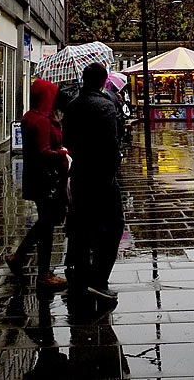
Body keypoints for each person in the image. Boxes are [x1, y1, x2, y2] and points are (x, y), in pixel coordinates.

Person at [63, 62, 124, 301]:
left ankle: (80, 274)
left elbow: (67, 139)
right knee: (113, 225)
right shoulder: (105, 106)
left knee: (82, 225)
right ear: (102, 81)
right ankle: (100, 279)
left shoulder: (72, 106)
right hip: (102, 175)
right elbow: (111, 144)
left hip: (80, 172)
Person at [5, 79, 68, 289]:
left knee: (46, 222)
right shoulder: (40, 121)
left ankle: (20, 257)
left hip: (37, 177)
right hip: (46, 178)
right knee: (47, 224)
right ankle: (42, 273)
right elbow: (43, 152)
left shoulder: (32, 117)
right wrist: (61, 153)